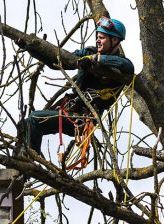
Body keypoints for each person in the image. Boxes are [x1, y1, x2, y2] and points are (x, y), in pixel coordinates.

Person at [18, 17, 134, 156]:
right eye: (97, 37)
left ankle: (30, 159)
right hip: (69, 110)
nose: (98, 40)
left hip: (84, 119)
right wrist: (31, 49)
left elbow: (128, 66)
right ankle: (21, 162)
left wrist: (97, 60)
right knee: (25, 125)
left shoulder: (121, 65)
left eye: (102, 37)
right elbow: (59, 61)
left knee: (35, 119)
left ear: (115, 40)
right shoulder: (87, 53)